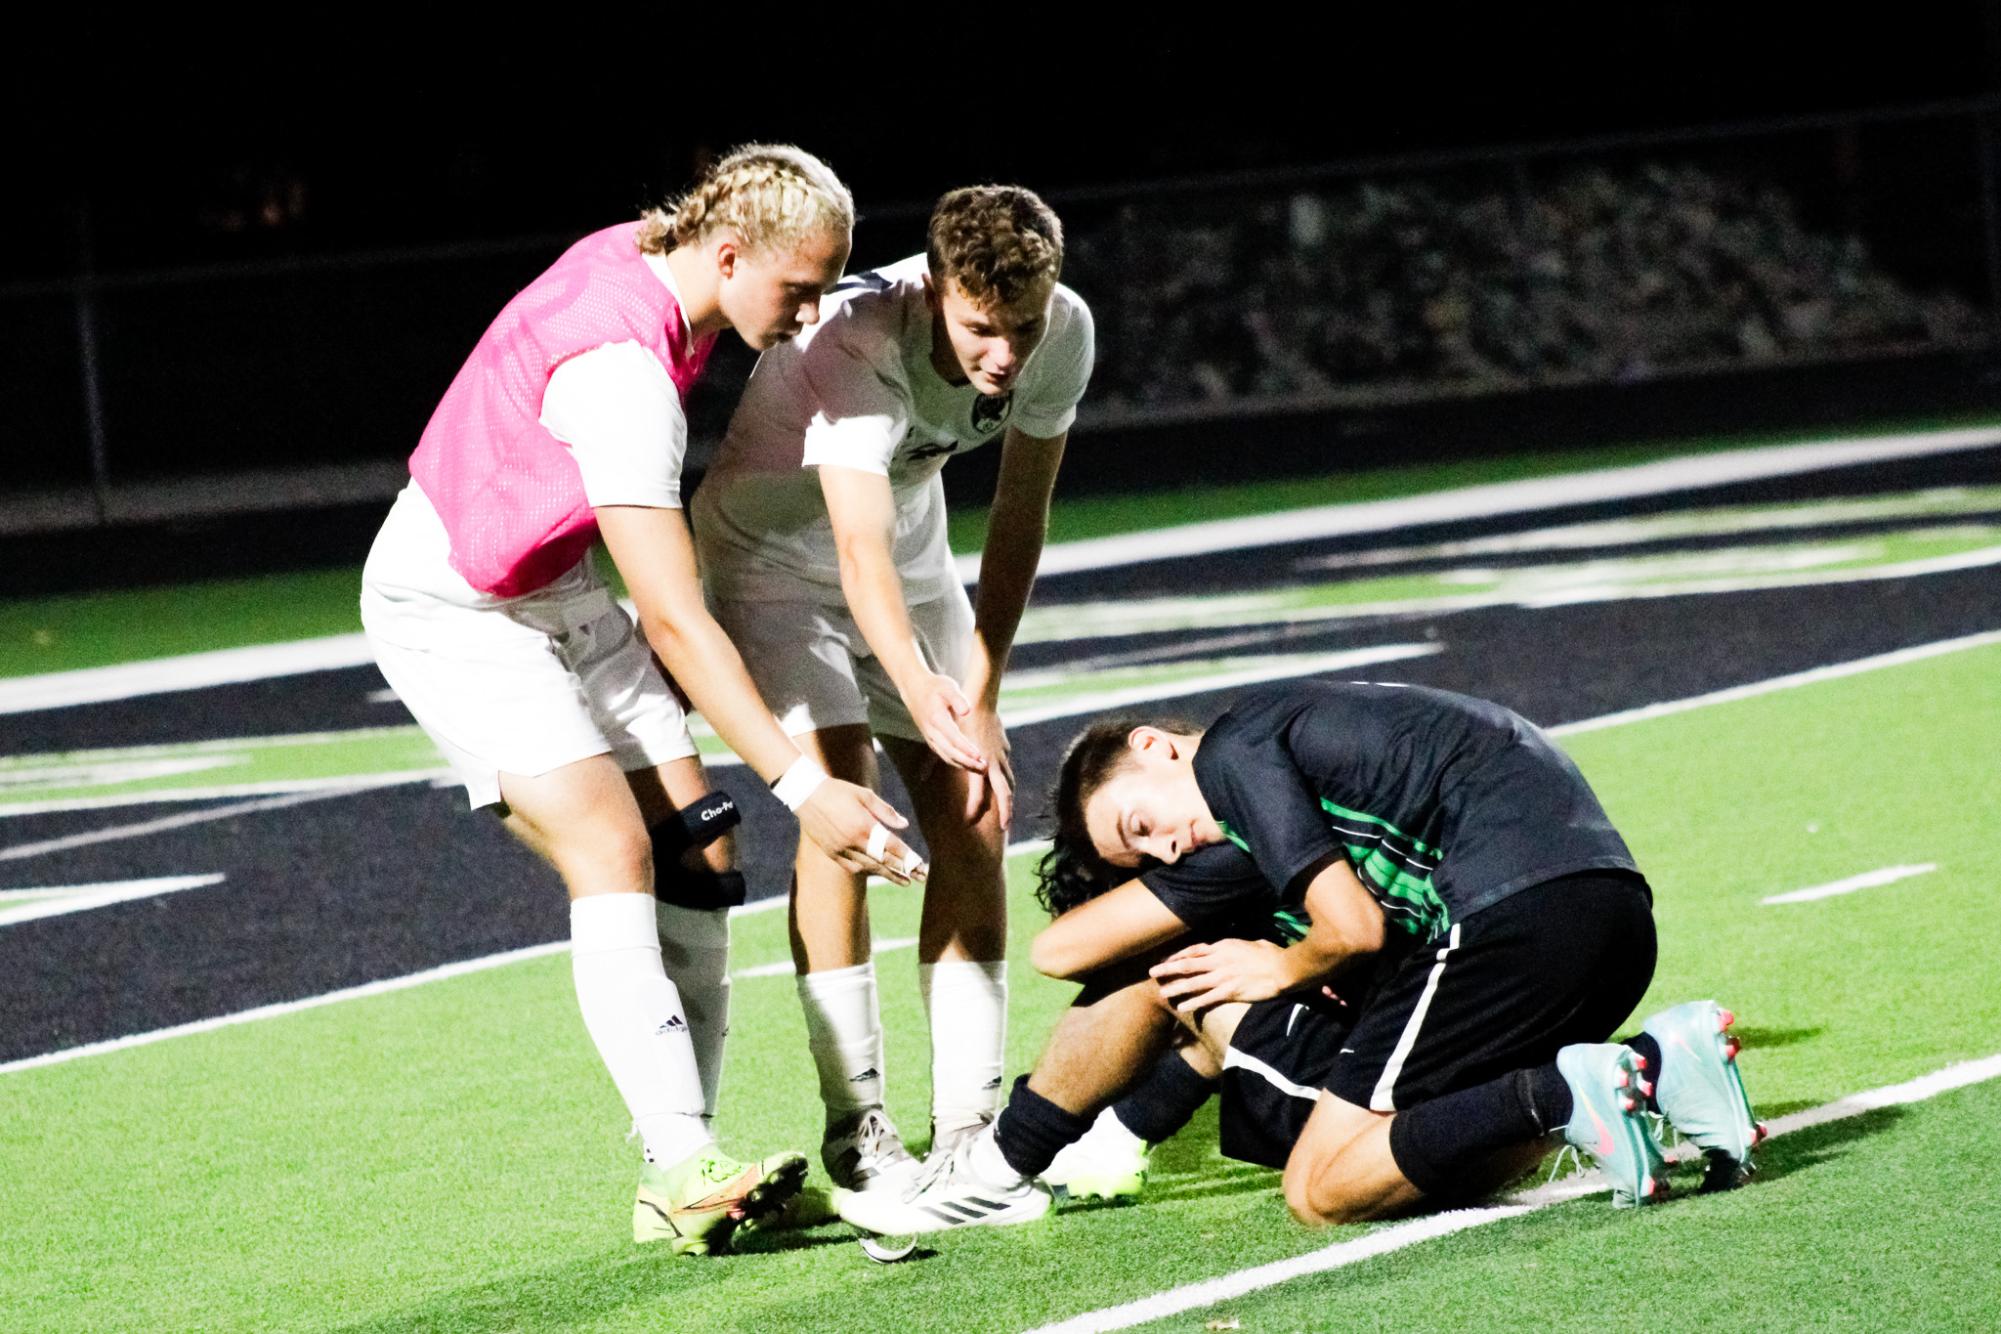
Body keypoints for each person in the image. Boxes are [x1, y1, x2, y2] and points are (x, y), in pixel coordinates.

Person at [360, 145, 927, 1257]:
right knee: (613, 848)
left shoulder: (655, 253)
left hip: (550, 582)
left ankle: (695, 1172)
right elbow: (673, 615)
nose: (809, 313)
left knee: (702, 855)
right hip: (453, 605)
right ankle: (680, 1165)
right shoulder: (623, 380)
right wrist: (804, 783)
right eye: (797, 289)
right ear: (727, 251)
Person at [837, 681, 1762, 1235]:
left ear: (1156, 746)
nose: (1168, 848)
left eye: (1143, 824)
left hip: (1508, 917)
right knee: (1422, 1148)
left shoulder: (1236, 754)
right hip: (1607, 915)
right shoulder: (1303, 753)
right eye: (1146, 854)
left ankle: (1575, 1089)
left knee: (1320, 1190)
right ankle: (1643, 1070)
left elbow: (1348, 931)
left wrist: (1279, 965)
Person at [692, 185, 1094, 1189]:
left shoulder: (1064, 330)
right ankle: (858, 1123)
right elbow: (853, 555)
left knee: (975, 806)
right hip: (773, 558)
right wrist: (925, 694)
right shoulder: (855, 338)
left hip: (910, 557)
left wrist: (983, 689)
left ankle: (970, 1128)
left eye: (1024, 325)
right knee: (846, 801)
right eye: (981, 328)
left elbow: (1017, 522)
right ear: (935, 290)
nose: (1006, 353)